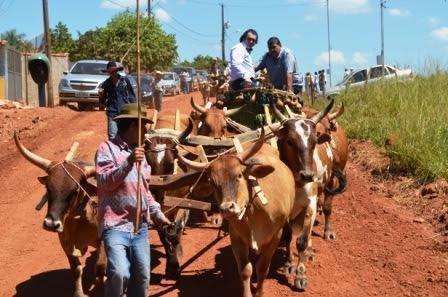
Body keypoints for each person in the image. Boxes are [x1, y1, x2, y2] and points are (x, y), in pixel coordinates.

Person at [95, 103, 171, 297]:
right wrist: (128, 162)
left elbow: (144, 192)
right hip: (115, 225)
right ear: (132, 127)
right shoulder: (106, 149)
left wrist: (158, 214)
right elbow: (105, 182)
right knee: (120, 273)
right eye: (143, 126)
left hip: (139, 227)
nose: (146, 131)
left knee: (143, 276)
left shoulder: (142, 156)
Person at [99, 61, 136, 140]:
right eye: (110, 72)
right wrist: (101, 95)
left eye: (114, 71)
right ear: (108, 73)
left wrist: (135, 109)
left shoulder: (125, 81)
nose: (113, 73)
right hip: (112, 112)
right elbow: (102, 101)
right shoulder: (106, 84)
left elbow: (131, 96)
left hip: (125, 113)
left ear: (117, 71)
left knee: (125, 135)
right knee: (112, 136)